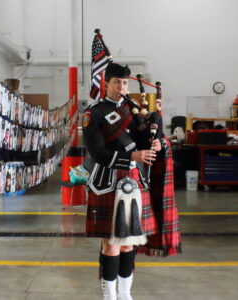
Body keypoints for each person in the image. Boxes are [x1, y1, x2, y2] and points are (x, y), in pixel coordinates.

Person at [83, 62, 166, 299]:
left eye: (125, 83)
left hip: (134, 180)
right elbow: (97, 153)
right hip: (107, 183)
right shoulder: (94, 113)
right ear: (106, 83)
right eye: (117, 82)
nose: (121, 86)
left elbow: (143, 142)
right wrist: (132, 156)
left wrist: (156, 144)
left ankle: (125, 294)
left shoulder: (134, 111)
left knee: (129, 243)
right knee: (111, 244)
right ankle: (110, 295)